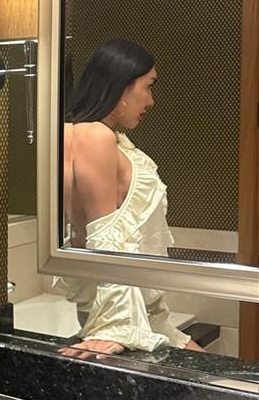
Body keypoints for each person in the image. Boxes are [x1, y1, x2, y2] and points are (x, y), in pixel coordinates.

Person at [57, 39, 205, 359]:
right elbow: (103, 235)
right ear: (122, 84)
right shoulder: (94, 135)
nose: (151, 100)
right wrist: (116, 327)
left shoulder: (85, 134)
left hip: (145, 314)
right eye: (148, 86)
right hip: (124, 317)